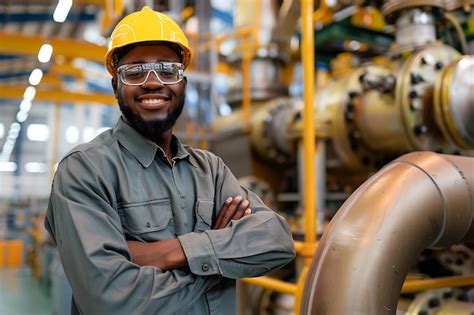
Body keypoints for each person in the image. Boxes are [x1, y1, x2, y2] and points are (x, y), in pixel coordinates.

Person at [45, 6, 295, 315]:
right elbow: (110, 300)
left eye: (168, 70)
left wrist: (163, 254)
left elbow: (278, 240)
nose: (153, 82)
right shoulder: (85, 171)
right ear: (115, 86)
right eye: (135, 72)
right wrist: (217, 260)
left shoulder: (211, 170)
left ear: (183, 84)